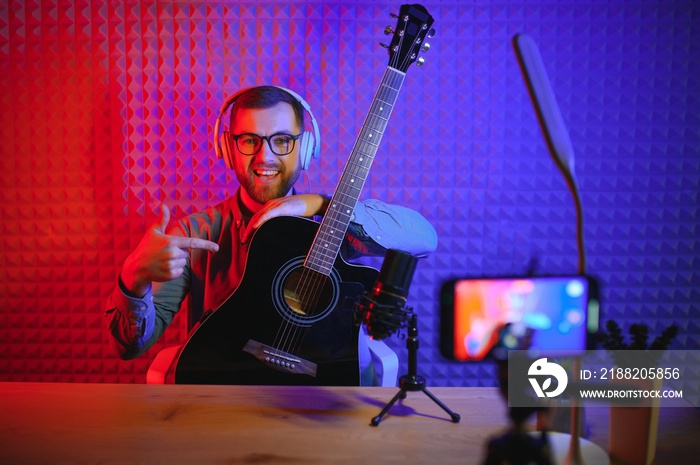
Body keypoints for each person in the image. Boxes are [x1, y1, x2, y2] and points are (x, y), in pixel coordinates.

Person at [104, 85, 438, 385]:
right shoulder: (195, 234)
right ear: (227, 148)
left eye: (282, 141)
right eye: (249, 140)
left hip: (325, 397)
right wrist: (134, 279)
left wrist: (321, 203)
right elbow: (128, 347)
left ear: (305, 148)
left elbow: (423, 239)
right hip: (225, 394)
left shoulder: (333, 226)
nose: (265, 157)